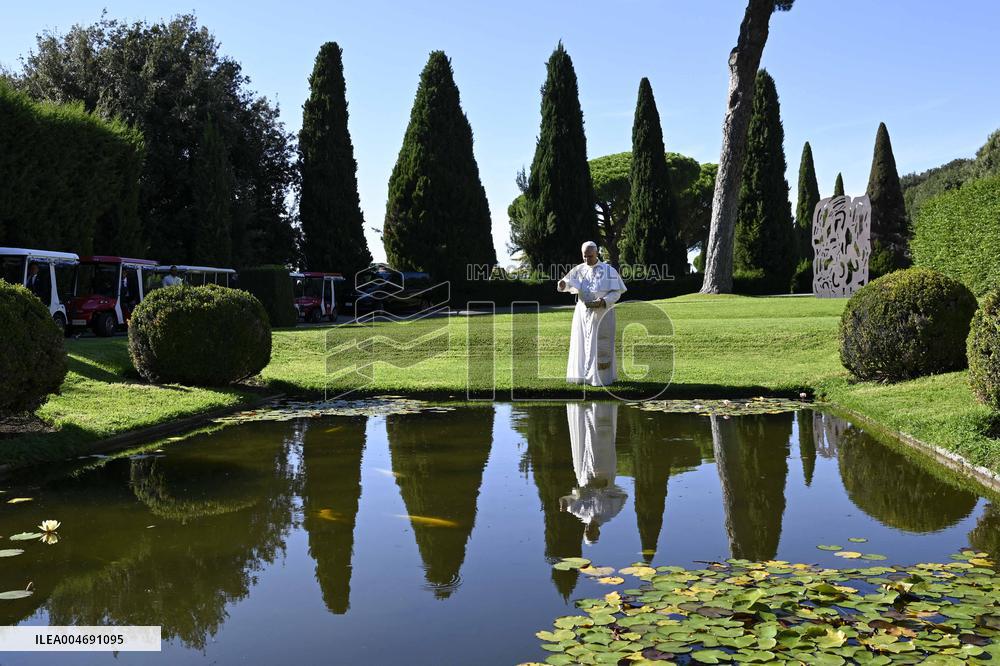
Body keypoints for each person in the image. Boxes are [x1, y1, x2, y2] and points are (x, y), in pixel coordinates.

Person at [557, 241, 627, 386]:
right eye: (584, 257)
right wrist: (562, 285)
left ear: (597, 254)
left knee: (599, 345)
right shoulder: (579, 269)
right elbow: (567, 282)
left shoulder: (608, 271)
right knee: (582, 343)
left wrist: (604, 301)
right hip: (583, 313)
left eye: (590, 256)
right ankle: (584, 377)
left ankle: (601, 378)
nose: (587, 259)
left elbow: (617, 292)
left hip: (602, 313)